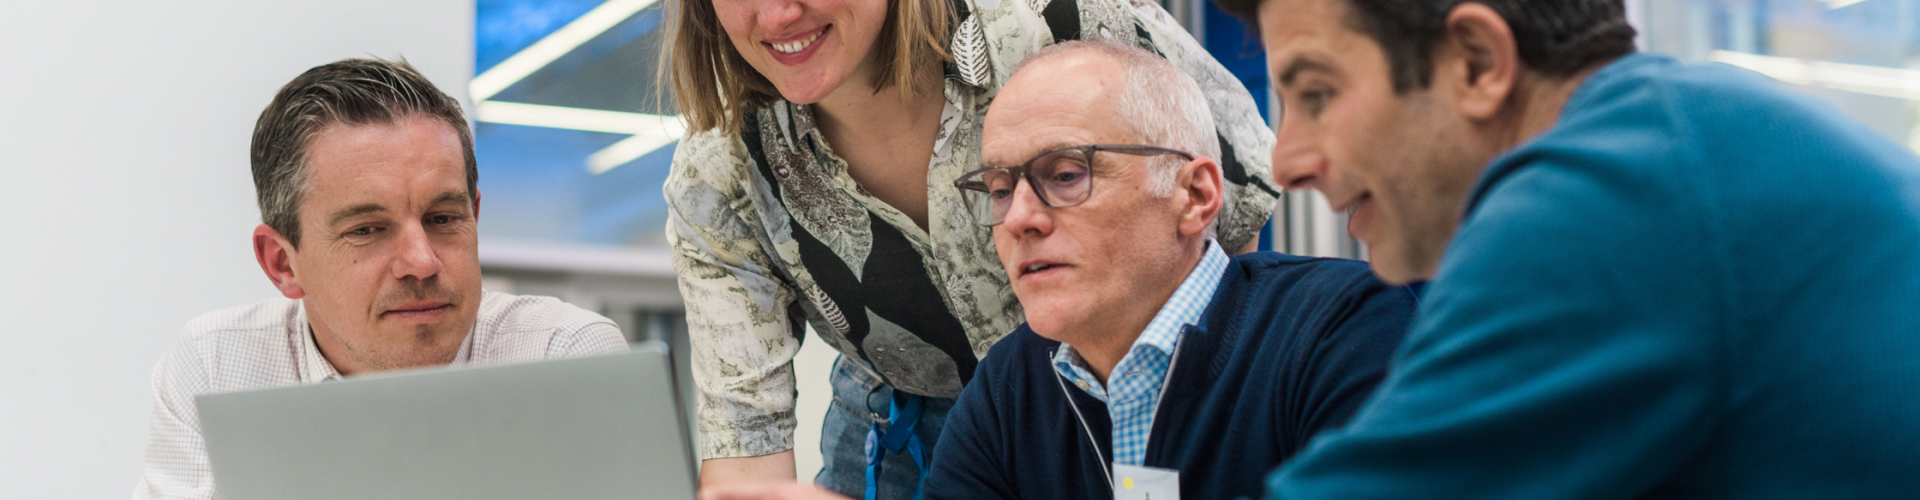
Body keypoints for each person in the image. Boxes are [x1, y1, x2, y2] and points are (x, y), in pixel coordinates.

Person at [1203, 0, 1920, 497]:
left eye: (1318, 93)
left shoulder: (1615, 190)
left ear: (1478, 62)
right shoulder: (1685, 135)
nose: (1286, 162)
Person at [700, 39, 1415, 500]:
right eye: (1002, 189)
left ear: (1196, 196)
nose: (1018, 220)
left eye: (1067, 174)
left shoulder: (1349, 332)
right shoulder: (1013, 383)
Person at [132, 58, 631, 500]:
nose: (422, 261)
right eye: (366, 229)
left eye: (442, 219)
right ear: (283, 263)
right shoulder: (216, 366)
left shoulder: (562, 358)